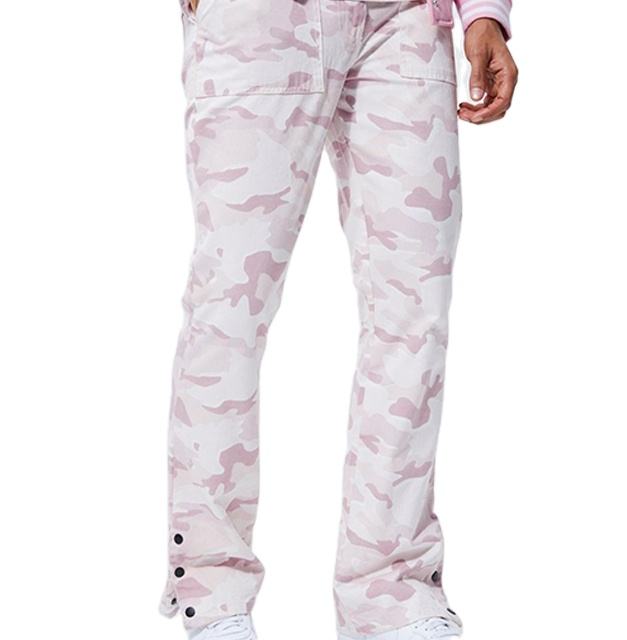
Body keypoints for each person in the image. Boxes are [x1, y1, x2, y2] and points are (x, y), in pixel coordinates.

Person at [159, 1, 517, 639]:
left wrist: (484, 13)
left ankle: (392, 590)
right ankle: (212, 592)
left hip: (405, 19)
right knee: (231, 304)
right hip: (261, 19)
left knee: (414, 308)